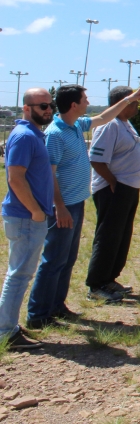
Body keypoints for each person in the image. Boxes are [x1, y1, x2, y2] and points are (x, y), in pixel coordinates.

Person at [27, 85, 140, 326]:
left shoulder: (75, 126)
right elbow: (50, 175)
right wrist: (59, 207)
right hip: (63, 207)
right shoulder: (56, 134)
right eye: (85, 99)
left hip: (75, 203)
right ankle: (38, 315)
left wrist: (128, 100)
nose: (88, 102)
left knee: (67, 259)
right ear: (74, 105)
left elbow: (103, 117)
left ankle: (57, 307)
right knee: (53, 259)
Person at [0, 88, 56, 349]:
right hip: (25, 217)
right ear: (26, 108)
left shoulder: (34, 135)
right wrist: (35, 211)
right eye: (42, 105)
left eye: (50, 105)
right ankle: (5, 333)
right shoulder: (24, 136)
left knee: (20, 273)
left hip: (28, 217)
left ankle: (8, 325)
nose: (48, 109)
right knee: (19, 275)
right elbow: (15, 178)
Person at [85, 86, 140, 303]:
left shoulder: (124, 124)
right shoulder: (109, 125)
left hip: (128, 187)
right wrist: (112, 181)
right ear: (123, 102)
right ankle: (96, 285)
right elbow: (96, 159)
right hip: (112, 190)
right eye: (134, 101)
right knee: (108, 236)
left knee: (121, 236)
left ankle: (109, 278)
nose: (138, 104)